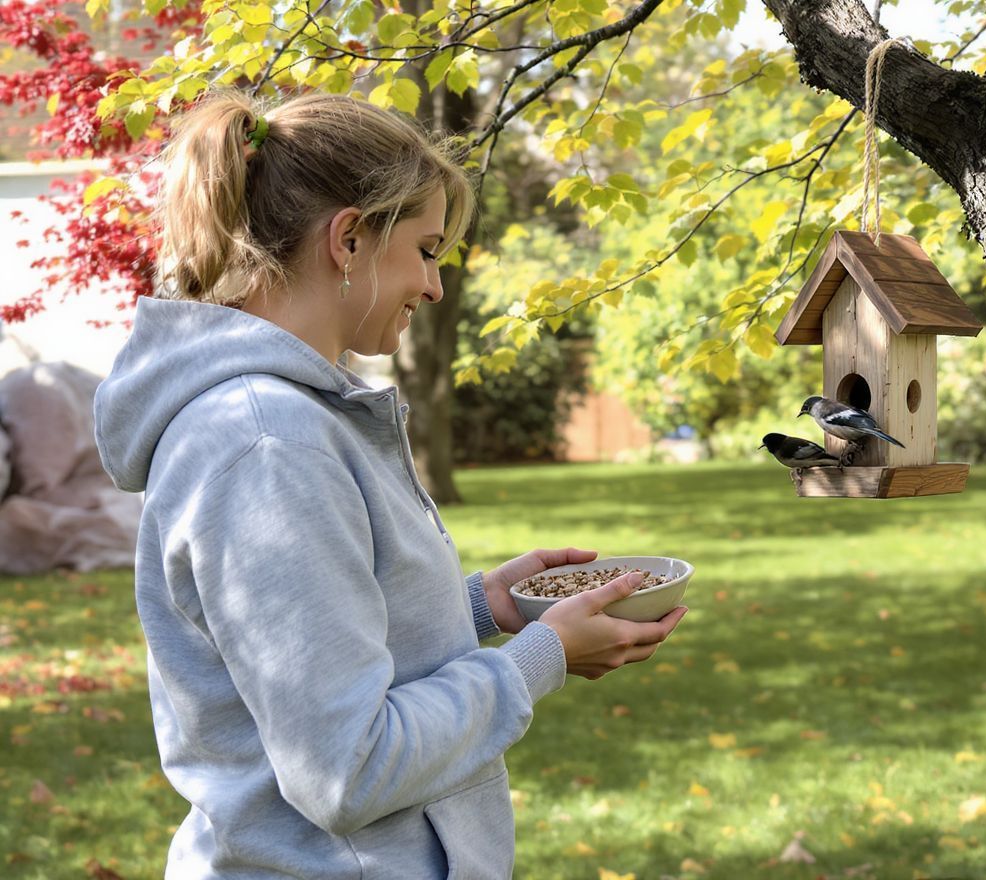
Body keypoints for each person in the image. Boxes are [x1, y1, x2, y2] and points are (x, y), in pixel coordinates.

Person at [93, 90, 687, 879]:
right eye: (427, 249)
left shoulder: (294, 419)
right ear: (348, 239)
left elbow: (325, 651)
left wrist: (481, 608)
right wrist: (540, 655)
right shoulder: (268, 443)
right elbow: (348, 767)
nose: (435, 286)